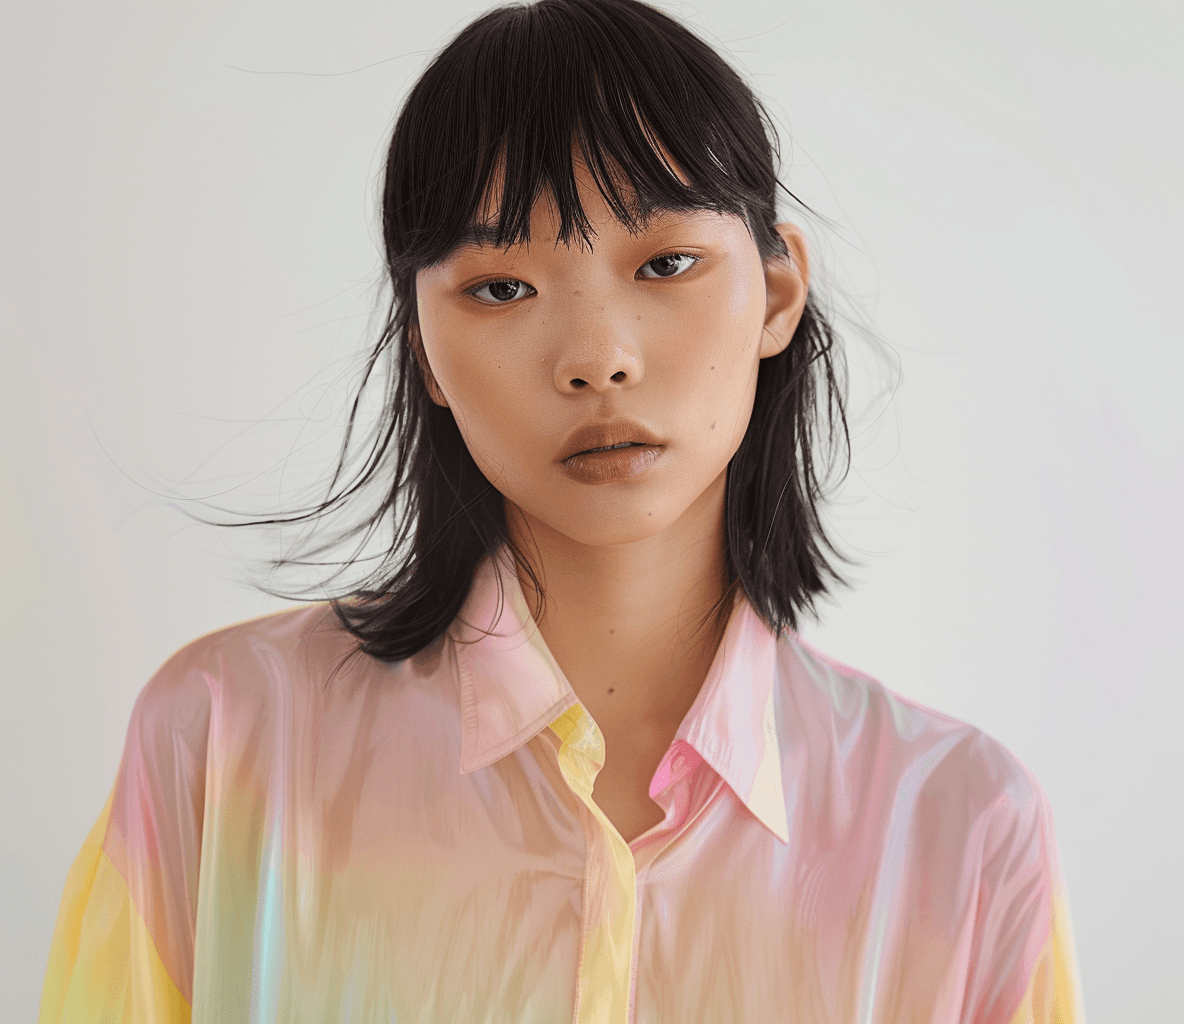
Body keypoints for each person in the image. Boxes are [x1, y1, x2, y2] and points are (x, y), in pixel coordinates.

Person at [38, 1, 1086, 1021]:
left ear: (774, 294)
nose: (596, 358)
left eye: (665, 263)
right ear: (424, 352)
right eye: (499, 288)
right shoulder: (222, 746)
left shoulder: (962, 832)